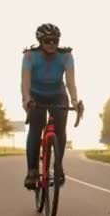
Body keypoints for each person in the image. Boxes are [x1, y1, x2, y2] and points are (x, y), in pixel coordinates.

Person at [21, 23, 82, 189]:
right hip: (35, 95)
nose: (52, 44)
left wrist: (75, 101)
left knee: (60, 129)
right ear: (40, 41)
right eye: (48, 41)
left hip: (57, 95)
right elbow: (25, 82)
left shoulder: (66, 56)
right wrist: (26, 99)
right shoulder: (29, 56)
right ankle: (32, 171)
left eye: (55, 41)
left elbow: (70, 83)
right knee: (35, 128)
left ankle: (58, 167)